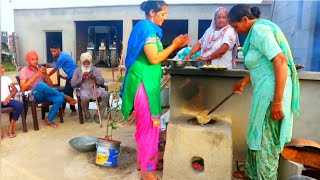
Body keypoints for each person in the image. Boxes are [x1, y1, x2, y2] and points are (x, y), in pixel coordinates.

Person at [228, 5, 300, 179]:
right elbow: (264, 66)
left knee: (265, 146)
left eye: (236, 27)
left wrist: (277, 103)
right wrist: (245, 81)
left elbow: (280, 62)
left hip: (272, 98)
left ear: (245, 19)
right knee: (258, 143)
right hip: (265, 94)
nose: (236, 32)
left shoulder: (259, 31)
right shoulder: (258, 31)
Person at [120, 1, 190, 179]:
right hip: (143, 82)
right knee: (150, 126)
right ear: (152, 12)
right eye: (163, 14)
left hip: (145, 81)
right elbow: (154, 58)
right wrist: (174, 45)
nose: (164, 19)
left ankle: (142, 162)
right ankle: (147, 171)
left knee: (145, 125)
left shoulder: (146, 29)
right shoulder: (147, 30)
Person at [19, 50, 77, 128]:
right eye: (33, 59)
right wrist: (36, 76)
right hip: (32, 96)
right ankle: (65, 97)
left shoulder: (40, 69)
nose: (35, 61)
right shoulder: (24, 70)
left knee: (59, 99)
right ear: (28, 60)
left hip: (44, 95)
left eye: (36, 59)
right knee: (41, 85)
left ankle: (49, 119)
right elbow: (23, 88)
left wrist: (45, 73)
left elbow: (51, 86)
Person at [71, 52, 110, 123]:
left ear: (90, 61)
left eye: (88, 62)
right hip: (84, 90)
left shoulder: (95, 69)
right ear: (82, 62)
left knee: (106, 94)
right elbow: (73, 84)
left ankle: (98, 115)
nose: (86, 64)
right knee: (84, 97)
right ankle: (87, 114)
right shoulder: (77, 70)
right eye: (84, 62)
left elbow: (102, 82)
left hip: (95, 89)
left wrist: (94, 78)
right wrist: (81, 78)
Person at [49, 43, 78, 117]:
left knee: (65, 94)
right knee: (68, 93)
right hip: (72, 75)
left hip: (73, 76)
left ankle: (64, 111)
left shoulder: (61, 58)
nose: (53, 53)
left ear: (59, 49)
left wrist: (46, 75)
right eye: (51, 52)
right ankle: (70, 110)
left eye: (54, 51)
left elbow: (55, 70)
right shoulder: (64, 54)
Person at [1, 64, 23, 138]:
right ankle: (1, 131)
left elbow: (15, 90)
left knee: (20, 106)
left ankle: (11, 128)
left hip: (8, 100)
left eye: (3, 67)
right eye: (1, 68)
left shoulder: (6, 78)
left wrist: (8, 98)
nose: (3, 70)